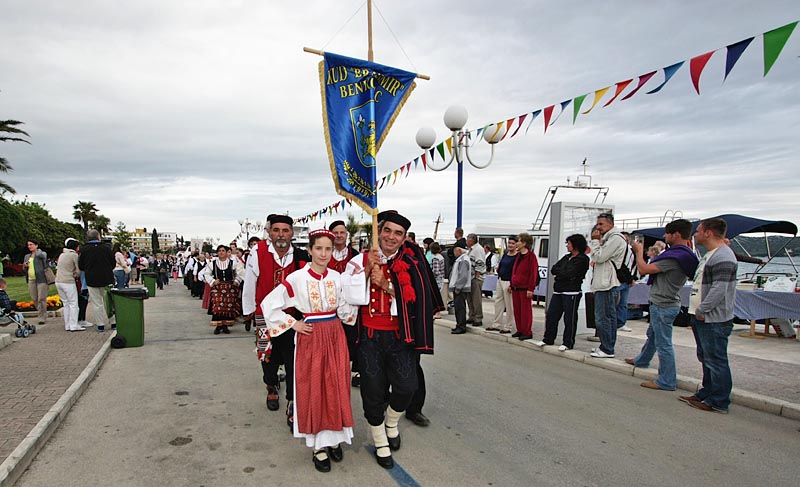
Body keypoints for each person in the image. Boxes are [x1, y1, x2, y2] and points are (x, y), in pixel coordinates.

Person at [341, 210, 443, 469]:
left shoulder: (412, 261)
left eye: (398, 233)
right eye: (387, 231)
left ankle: (392, 422)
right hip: (369, 338)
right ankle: (380, 439)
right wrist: (367, 270)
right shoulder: (359, 260)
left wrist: (387, 285)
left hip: (400, 337)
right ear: (379, 232)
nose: (391, 237)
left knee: (407, 387)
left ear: (404, 237)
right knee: (373, 391)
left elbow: (420, 298)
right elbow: (345, 296)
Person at [260, 229, 357, 473]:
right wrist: (294, 323)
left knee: (336, 385)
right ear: (310, 250)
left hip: (335, 335)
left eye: (328, 249)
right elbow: (269, 304)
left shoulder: (337, 277)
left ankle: (335, 438)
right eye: (319, 248)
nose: (324, 254)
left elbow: (346, 308)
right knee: (315, 387)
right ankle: (318, 446)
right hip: (311, 336)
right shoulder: (297, 278)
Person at [242, 214, 310, 422]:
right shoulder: (258, 251)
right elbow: (250, 282)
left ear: (292, 233)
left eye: (285, 230)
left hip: (292, 317)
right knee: (267, 356)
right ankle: (271, 385)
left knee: (293, 359)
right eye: (276, 230)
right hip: (265, 316)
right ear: (269, 232)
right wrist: (248, 311)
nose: (281, 234)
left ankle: (292, 401)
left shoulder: (301, 256)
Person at [626, 219, 699, 391]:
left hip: (663, 303)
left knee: (663, 342)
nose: (664, 236)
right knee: (653, 334)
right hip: (668, 301)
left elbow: (644, 270)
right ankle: (642, 359)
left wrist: (638, 252)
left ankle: (666, 380)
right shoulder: (685, 254)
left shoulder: (674, 257)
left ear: (676, 234)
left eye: (667, 233)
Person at [680, 218, 737, 413]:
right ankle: (707, 392)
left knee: (716, 359)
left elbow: (719, 289)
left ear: (708, 233)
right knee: (706, 357)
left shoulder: (723, 257)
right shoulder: (712, 254)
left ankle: (719, 401)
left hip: (714, 318)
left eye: (698, 231)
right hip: (701, 315)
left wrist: (703, 310)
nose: (695, 234)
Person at [538, 234, 590, 350]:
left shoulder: (583, 259)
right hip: (558, 291)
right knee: (552, 315)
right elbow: (554, 269)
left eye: (569, 243)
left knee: (569, 318)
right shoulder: (566, 257)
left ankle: (568, 342)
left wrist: (561, 274)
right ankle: (548, 338)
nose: (567, 246)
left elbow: (571, 273)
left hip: (572, 292)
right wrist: (561, 273)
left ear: (575, 245)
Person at [326, 220, 361, 387]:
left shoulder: (356, 255)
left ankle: (352, 372)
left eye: (342, 232)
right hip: (329, 306)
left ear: (347, 235)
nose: (339, 236)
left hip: (350, 307)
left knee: (351, 340)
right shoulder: (323, 254)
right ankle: (333, 372)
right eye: (336, 233)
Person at [588, 213, 627, 358]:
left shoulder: (615, 239)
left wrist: (595, 242)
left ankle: (607, 348)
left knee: (603, 317)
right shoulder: (609, 238)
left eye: (601, 224)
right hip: (604, 282)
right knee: (608, 316)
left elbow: (599, 257)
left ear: (610, 224)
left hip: (607, 283)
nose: (598, 228)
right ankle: (606, 345)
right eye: (597, 224)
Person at [78, 230, 115, 333]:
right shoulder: (106, 248)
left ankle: (100, 325)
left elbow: (81, 265)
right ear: (98, 237)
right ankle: (113, 322)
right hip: (107, 278)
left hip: (92, 279)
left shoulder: (84, 249)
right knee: (109, 301)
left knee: (96, 303)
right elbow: (113, 262)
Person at [202, 245, 244, 334]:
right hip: (218, 288)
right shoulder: (212, 263)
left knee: (228, 307)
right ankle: (218, 326)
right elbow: (206, 274)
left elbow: (240, 273)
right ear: (217, 253)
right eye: (219, 251)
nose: (221, 252)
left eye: (223, 250)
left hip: (229, 288)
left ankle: (225, 326)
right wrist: (213, 281)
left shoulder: (233, 263)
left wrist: (236, 281)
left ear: (226, 252)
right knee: (217, 306)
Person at [510, 233, 539, 341]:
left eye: (519, 241)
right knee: (517, 310)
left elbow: (533, 273)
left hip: (525, 287)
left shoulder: (531, 257)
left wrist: (531, 288)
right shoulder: (518, 256)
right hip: (515, 286)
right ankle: (520, 329)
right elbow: (515, 270)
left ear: (524, 243)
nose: (517, 243)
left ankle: (527, 331)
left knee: (525, 310)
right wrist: (512, 284)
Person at [487, 236, 518, 334]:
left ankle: (509, 326)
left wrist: (512, 284)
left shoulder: (517, 256)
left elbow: (516, 271)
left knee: (509, 305)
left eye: (513, 243)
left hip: (509, 282)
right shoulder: (505, 254)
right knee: (498, 302)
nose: (510, 245)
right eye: (509, 243)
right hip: (500, 279)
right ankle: (497, 324)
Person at [55, 238, 84, 331]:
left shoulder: (62, 255)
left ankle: (67, 325)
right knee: (73, 303)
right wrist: (76, 275)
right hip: (68, 281)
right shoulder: (73, 255)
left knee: (66, 303)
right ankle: (74, 325)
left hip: (58, 281)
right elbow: (78, 270)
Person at [22, 239, 50, 325]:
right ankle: (41, 312)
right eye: (28, 245)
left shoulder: (41, 254)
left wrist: (37, 251)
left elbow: (43, 257)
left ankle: (42, 316)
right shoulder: (27, 256)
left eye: (31, 244)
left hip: (41, 279)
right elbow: (24, 270)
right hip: (31, 279)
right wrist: (25, 266)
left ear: (36, 245)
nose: (29, 246)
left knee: (41, 298)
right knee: (34, 298)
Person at [449, 240, 472, 335]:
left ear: (458, 250)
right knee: (458, 308)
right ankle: (459, 324)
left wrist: (458, 287)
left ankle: (461, 326)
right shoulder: (461, 259)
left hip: (460, 288)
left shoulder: (463, 260)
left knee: (460, 308)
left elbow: (463, 276)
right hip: (458, 287)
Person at [616, 232, 637, 333]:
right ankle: (614, 323)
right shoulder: (618, 249)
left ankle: (621, 323)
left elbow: (634, 265)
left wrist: (633, 278)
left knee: (623, 303)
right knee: (614, 302)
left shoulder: (632, 250)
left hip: (627, 280)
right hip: (618, 279)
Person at [465, 233, 486, 326]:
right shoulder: (470, 250)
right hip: (470, 277)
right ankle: (471, 315)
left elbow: (480, 263)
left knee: (476, 298)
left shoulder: (478, 250)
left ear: (471, 240)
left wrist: (477, 275)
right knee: (470, 298)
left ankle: (478, 317)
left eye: (467, 239)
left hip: (476, 278)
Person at [429, 242, 446, 320]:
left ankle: (437, 312)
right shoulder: (441, 257)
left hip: (437, 280)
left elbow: (435, 271)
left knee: (435, 296)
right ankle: (438, 312)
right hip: (441, 278)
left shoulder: (435, 258)